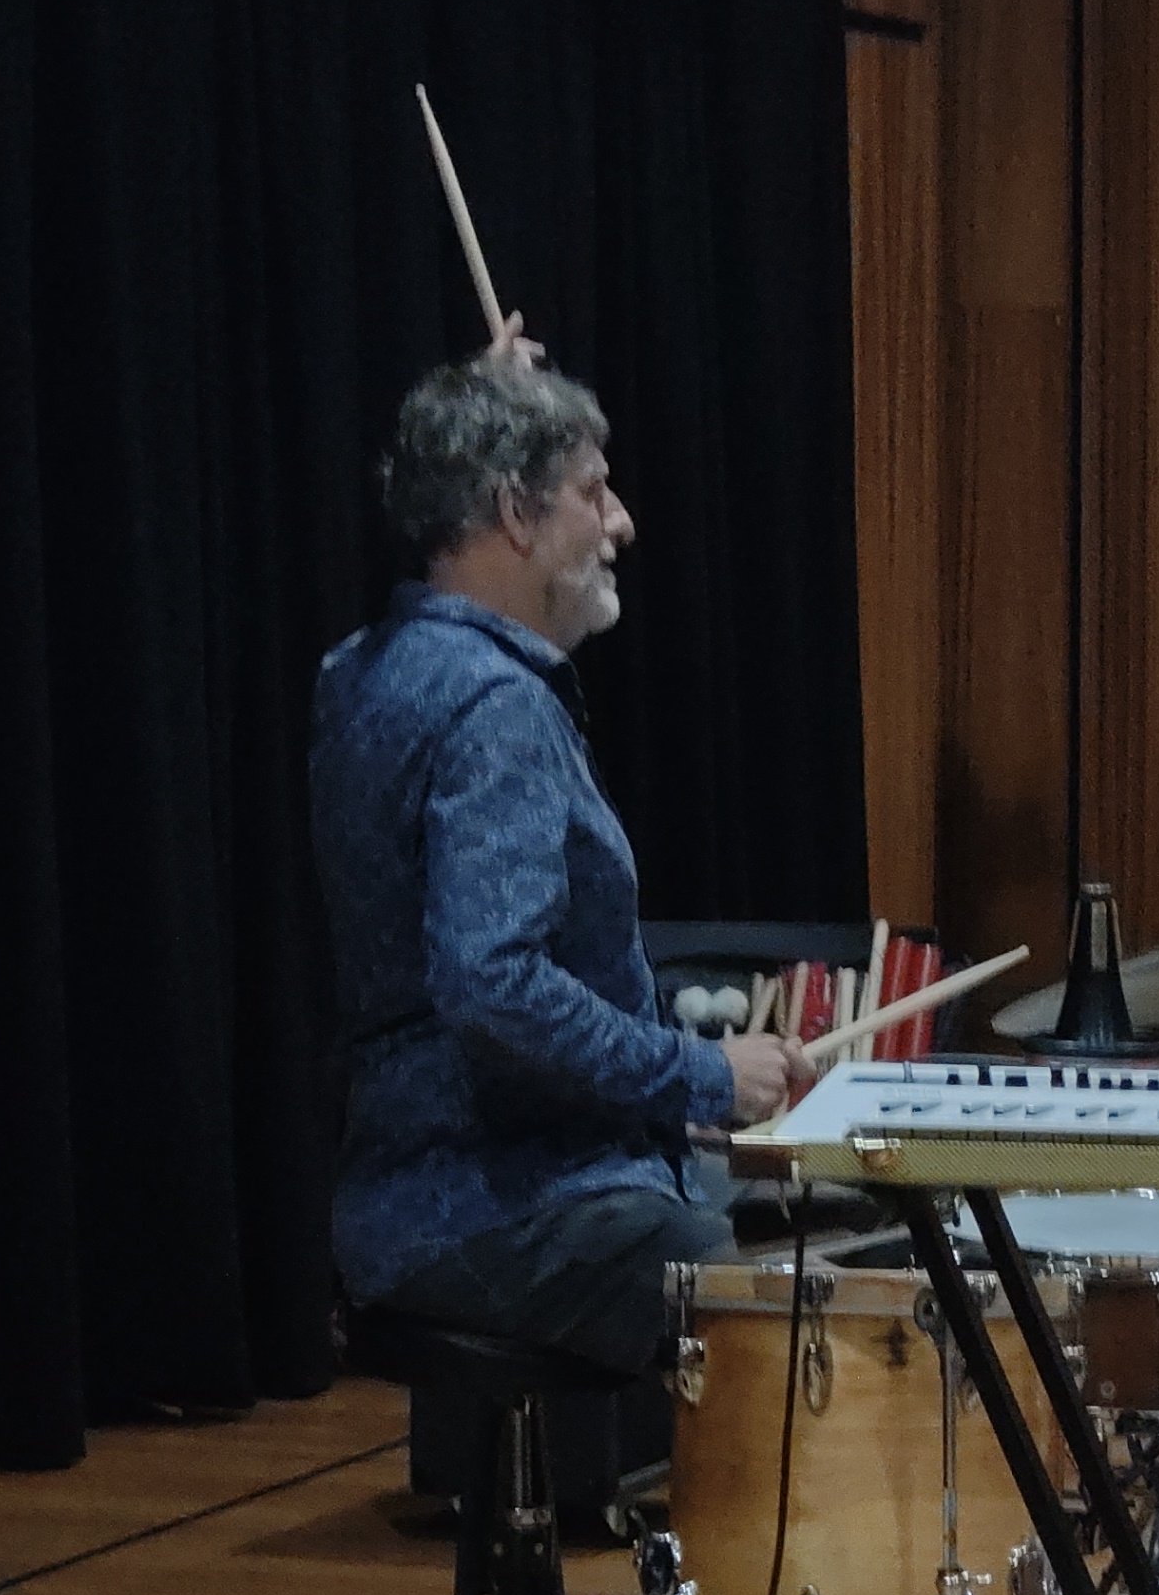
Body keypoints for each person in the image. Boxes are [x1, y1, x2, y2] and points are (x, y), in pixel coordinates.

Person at [312, 335, 800, 1379]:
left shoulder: (361, 670)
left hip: (398, 1190)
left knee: (773, 1220)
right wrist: (701, 1074)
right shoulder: (494, 705)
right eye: (592, 491)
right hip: (503, 1199)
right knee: (809, 1327)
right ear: (513, 514)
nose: (620, 521)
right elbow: (491, 985)